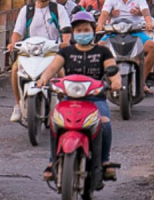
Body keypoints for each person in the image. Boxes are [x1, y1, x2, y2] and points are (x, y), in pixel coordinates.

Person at [36, 12, 121, 182]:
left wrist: (116, 82)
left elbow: (112, 70)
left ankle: (105, 160)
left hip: (95, 99)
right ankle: (52, 161)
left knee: (104, 122)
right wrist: (43, 79)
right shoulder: (66, 52)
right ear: (74, 33)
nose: (83, 33)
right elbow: (52, 68)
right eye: (79, 30)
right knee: (55, 122)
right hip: (69, 99)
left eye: (86, 30)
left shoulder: (103, 51)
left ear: (93, 31)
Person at [6, 0, 71, 122]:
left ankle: (64, 103)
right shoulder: (27, 10)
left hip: (51, 50)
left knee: (60, 71)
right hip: (30, 51)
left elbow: (66, 29)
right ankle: (17, 104)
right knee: (15, 69)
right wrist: (13, 43)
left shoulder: (58, 9)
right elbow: (18, 31)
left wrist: (65, 42)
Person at [96, 0, 154, 94]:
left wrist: (148, 22)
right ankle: (99, 82)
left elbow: (146, 12)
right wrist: (99, 24)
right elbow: (104, 14)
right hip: (113, 32)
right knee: (97, 49)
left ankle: (141, 81)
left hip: (134, 32)